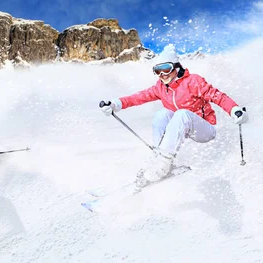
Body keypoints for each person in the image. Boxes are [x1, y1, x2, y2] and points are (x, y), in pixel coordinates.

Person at [100, 44, 249, 188]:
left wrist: (234, 109)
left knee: (182, 114)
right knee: (162, 114)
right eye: (157, 71)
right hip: (183, 130)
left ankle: (164, 164)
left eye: (166, 69)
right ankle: (159, 158)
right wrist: (115, 104)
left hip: (204, 130)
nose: (162, 75)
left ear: (176, 67)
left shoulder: (193, 81)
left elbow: (218, 96)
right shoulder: (160, 87)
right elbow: (138, 97)